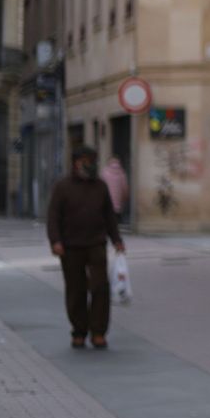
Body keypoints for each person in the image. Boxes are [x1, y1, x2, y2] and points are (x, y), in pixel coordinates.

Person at [46, 146, 125, 350]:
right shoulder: (62, 187)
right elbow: (53, 217)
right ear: (76, 163)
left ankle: (98, 332)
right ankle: (79, 331)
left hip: (96, 244)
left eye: (92, 161)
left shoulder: (100, 186)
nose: (89, 165)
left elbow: (109, 216)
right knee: (76, 290)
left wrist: (116, 239)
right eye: (85, 161)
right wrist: (55, 241)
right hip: (70, 247)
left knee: (100, 287)